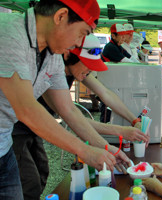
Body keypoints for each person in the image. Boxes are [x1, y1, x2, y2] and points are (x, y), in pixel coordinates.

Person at [0, 1, 128, 199]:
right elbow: (26, 109)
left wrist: (105, 148)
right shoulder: (9, 33)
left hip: (3, 146)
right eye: (81, 33)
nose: (78, 43)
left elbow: (68, 110)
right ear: (60, 16)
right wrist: (85, 151)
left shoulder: (52, 53)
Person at [12, 34, 149, 200]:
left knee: (41, 173)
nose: (90, 70)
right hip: (15, 126)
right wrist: (114, 136)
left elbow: (105, 93)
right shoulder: (52, 70)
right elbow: (71, 115)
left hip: (34, 128)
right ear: (68, 54)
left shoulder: (76, 69)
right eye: (88, 64)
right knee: (27, 182)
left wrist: (133, 120)